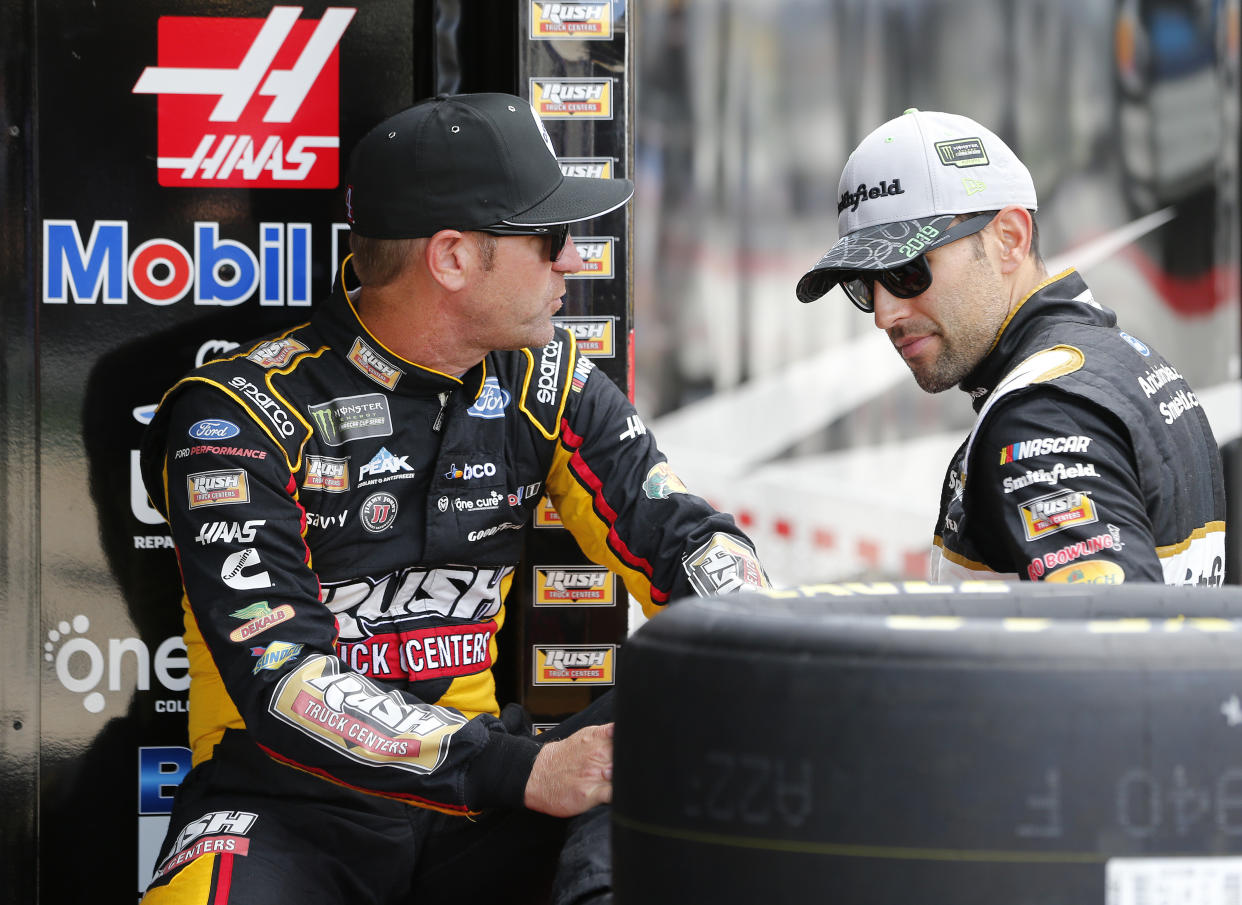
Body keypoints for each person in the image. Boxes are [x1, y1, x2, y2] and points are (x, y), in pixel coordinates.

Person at [138, 92, 768, 905]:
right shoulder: (236, 415)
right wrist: (528, 766)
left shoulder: (547, 378)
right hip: (288, 805)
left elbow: (684, 539)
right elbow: (284, 683)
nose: (572, 259)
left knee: (689, 716)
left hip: (485, 806)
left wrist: (773, 647)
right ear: (453, 258)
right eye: (549, 237)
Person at [795, 108, 1225, 586]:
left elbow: (1110, 646)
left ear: (1009, 239)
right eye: (864, 284)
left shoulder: (1041, 415)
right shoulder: (1124, 360)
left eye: (906, 271)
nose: (884, 314)